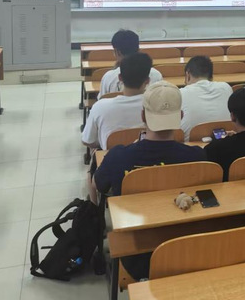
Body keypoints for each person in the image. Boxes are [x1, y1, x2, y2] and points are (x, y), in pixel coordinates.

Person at [94, 81, 205, 281]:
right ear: (180, 116)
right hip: (191, 248)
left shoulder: (118, 156)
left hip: (138, 259)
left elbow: (99, 186)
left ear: (143, 116)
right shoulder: (198, 157)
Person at [81, 53, 151, 150]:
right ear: (147, 81)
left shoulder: (100, 107)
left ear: (120, 78)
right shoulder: (156, 105)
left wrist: (105, 143)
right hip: (148, 156)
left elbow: (87, 140)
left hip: (112, 157)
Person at [98, 29, 162, 100]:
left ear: (117, 52)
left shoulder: (108, 77)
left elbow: (102, 99)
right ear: (138, 49)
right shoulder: (156, 75)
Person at [180, 56, 232, 141]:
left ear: (187, 74)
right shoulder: (226, 87)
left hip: (191, 145)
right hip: (225, 142)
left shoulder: (181, 93)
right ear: (211, 76)